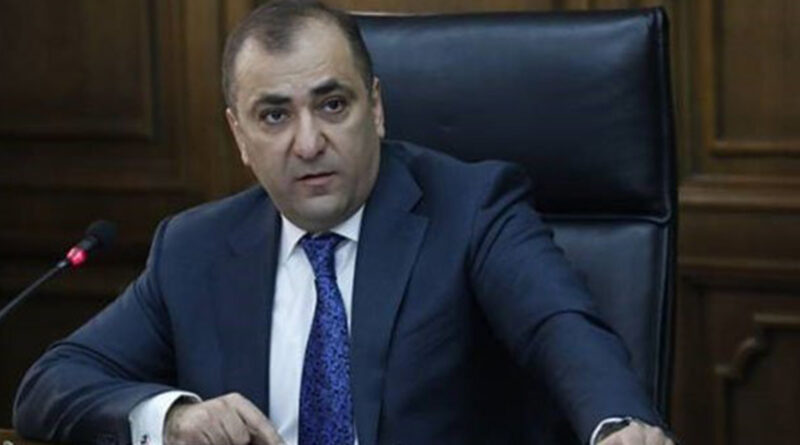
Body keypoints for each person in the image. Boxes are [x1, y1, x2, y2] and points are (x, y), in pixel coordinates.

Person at [14, 1, 676, 444]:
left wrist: (616, 427)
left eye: (332, 105)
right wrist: (172, 418)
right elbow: (52, 382)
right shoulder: (194, 248)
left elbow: (559, 326)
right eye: (275, 115)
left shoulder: (470, 208)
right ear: (239, 136)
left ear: (376, 109)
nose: (308, 143)